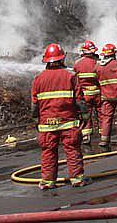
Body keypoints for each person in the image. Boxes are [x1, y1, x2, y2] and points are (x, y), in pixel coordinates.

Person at [31, 43, 89, 189]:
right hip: (68, 122)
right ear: (62, 59)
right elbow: (79, 100)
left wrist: (35, 120)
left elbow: (34, 105)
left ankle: (48, 182)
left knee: (48, 152)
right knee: (72, 150)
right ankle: (77, 179)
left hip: (46, 124)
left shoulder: (38, 79)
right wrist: (85, 115)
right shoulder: (71, 76)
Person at [73, 40, 101, 145]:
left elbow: (75, 80)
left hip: (84, 95)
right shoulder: (97, 63)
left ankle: (85, 136)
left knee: (85, 115)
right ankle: (104, 135)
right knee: (101, 115)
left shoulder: (77, 64)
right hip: (98, 94)